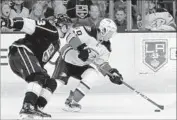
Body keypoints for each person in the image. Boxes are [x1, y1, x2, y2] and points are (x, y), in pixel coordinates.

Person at [1, 14, 73, 119]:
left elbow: (40, 60)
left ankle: (36, 108)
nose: (68, 30)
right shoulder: (51, 29)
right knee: (38, 76)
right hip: (21, 51)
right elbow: (30, 24)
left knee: (50, 82)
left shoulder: (56, 43)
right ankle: (27, 107)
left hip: (27, 57)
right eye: (67, 26)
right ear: (60, 25)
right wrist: (9, 22)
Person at [52, 18, 123, 112]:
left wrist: (111, 73)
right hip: (66, 61)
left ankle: (72, 102)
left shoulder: (106, 47)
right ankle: (36, 97)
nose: (111, 36)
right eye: (110, 33)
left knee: (92, 74)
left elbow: (102, 63)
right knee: (58, 84)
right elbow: (70, 35)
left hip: (81, 66)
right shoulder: (86, 31)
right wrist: (80, 48)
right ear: (103, 30)